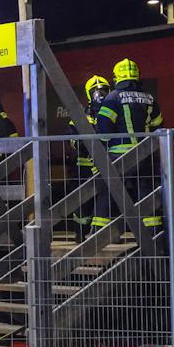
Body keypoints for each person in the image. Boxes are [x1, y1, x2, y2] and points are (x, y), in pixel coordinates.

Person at [90, 57, 165, 234]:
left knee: (108, 192)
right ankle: (153, 233)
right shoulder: (150, 98)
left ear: (117, 77)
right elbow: (158, 126)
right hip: (146, 156)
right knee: (146, 193)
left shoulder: (113, 97)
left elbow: (104, 131)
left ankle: (99, 233)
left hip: (119, 156)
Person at [71, 75, 110, 239]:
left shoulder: (111, 112)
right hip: (85, 167)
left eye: (103, 91)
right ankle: (80, 235)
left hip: (107, 165)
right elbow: (74, 141)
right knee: (83, 203)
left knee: (105, 198)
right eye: (96, 91)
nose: (99, 95)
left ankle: (102, 235)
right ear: (89, 94)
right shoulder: (81, 115)